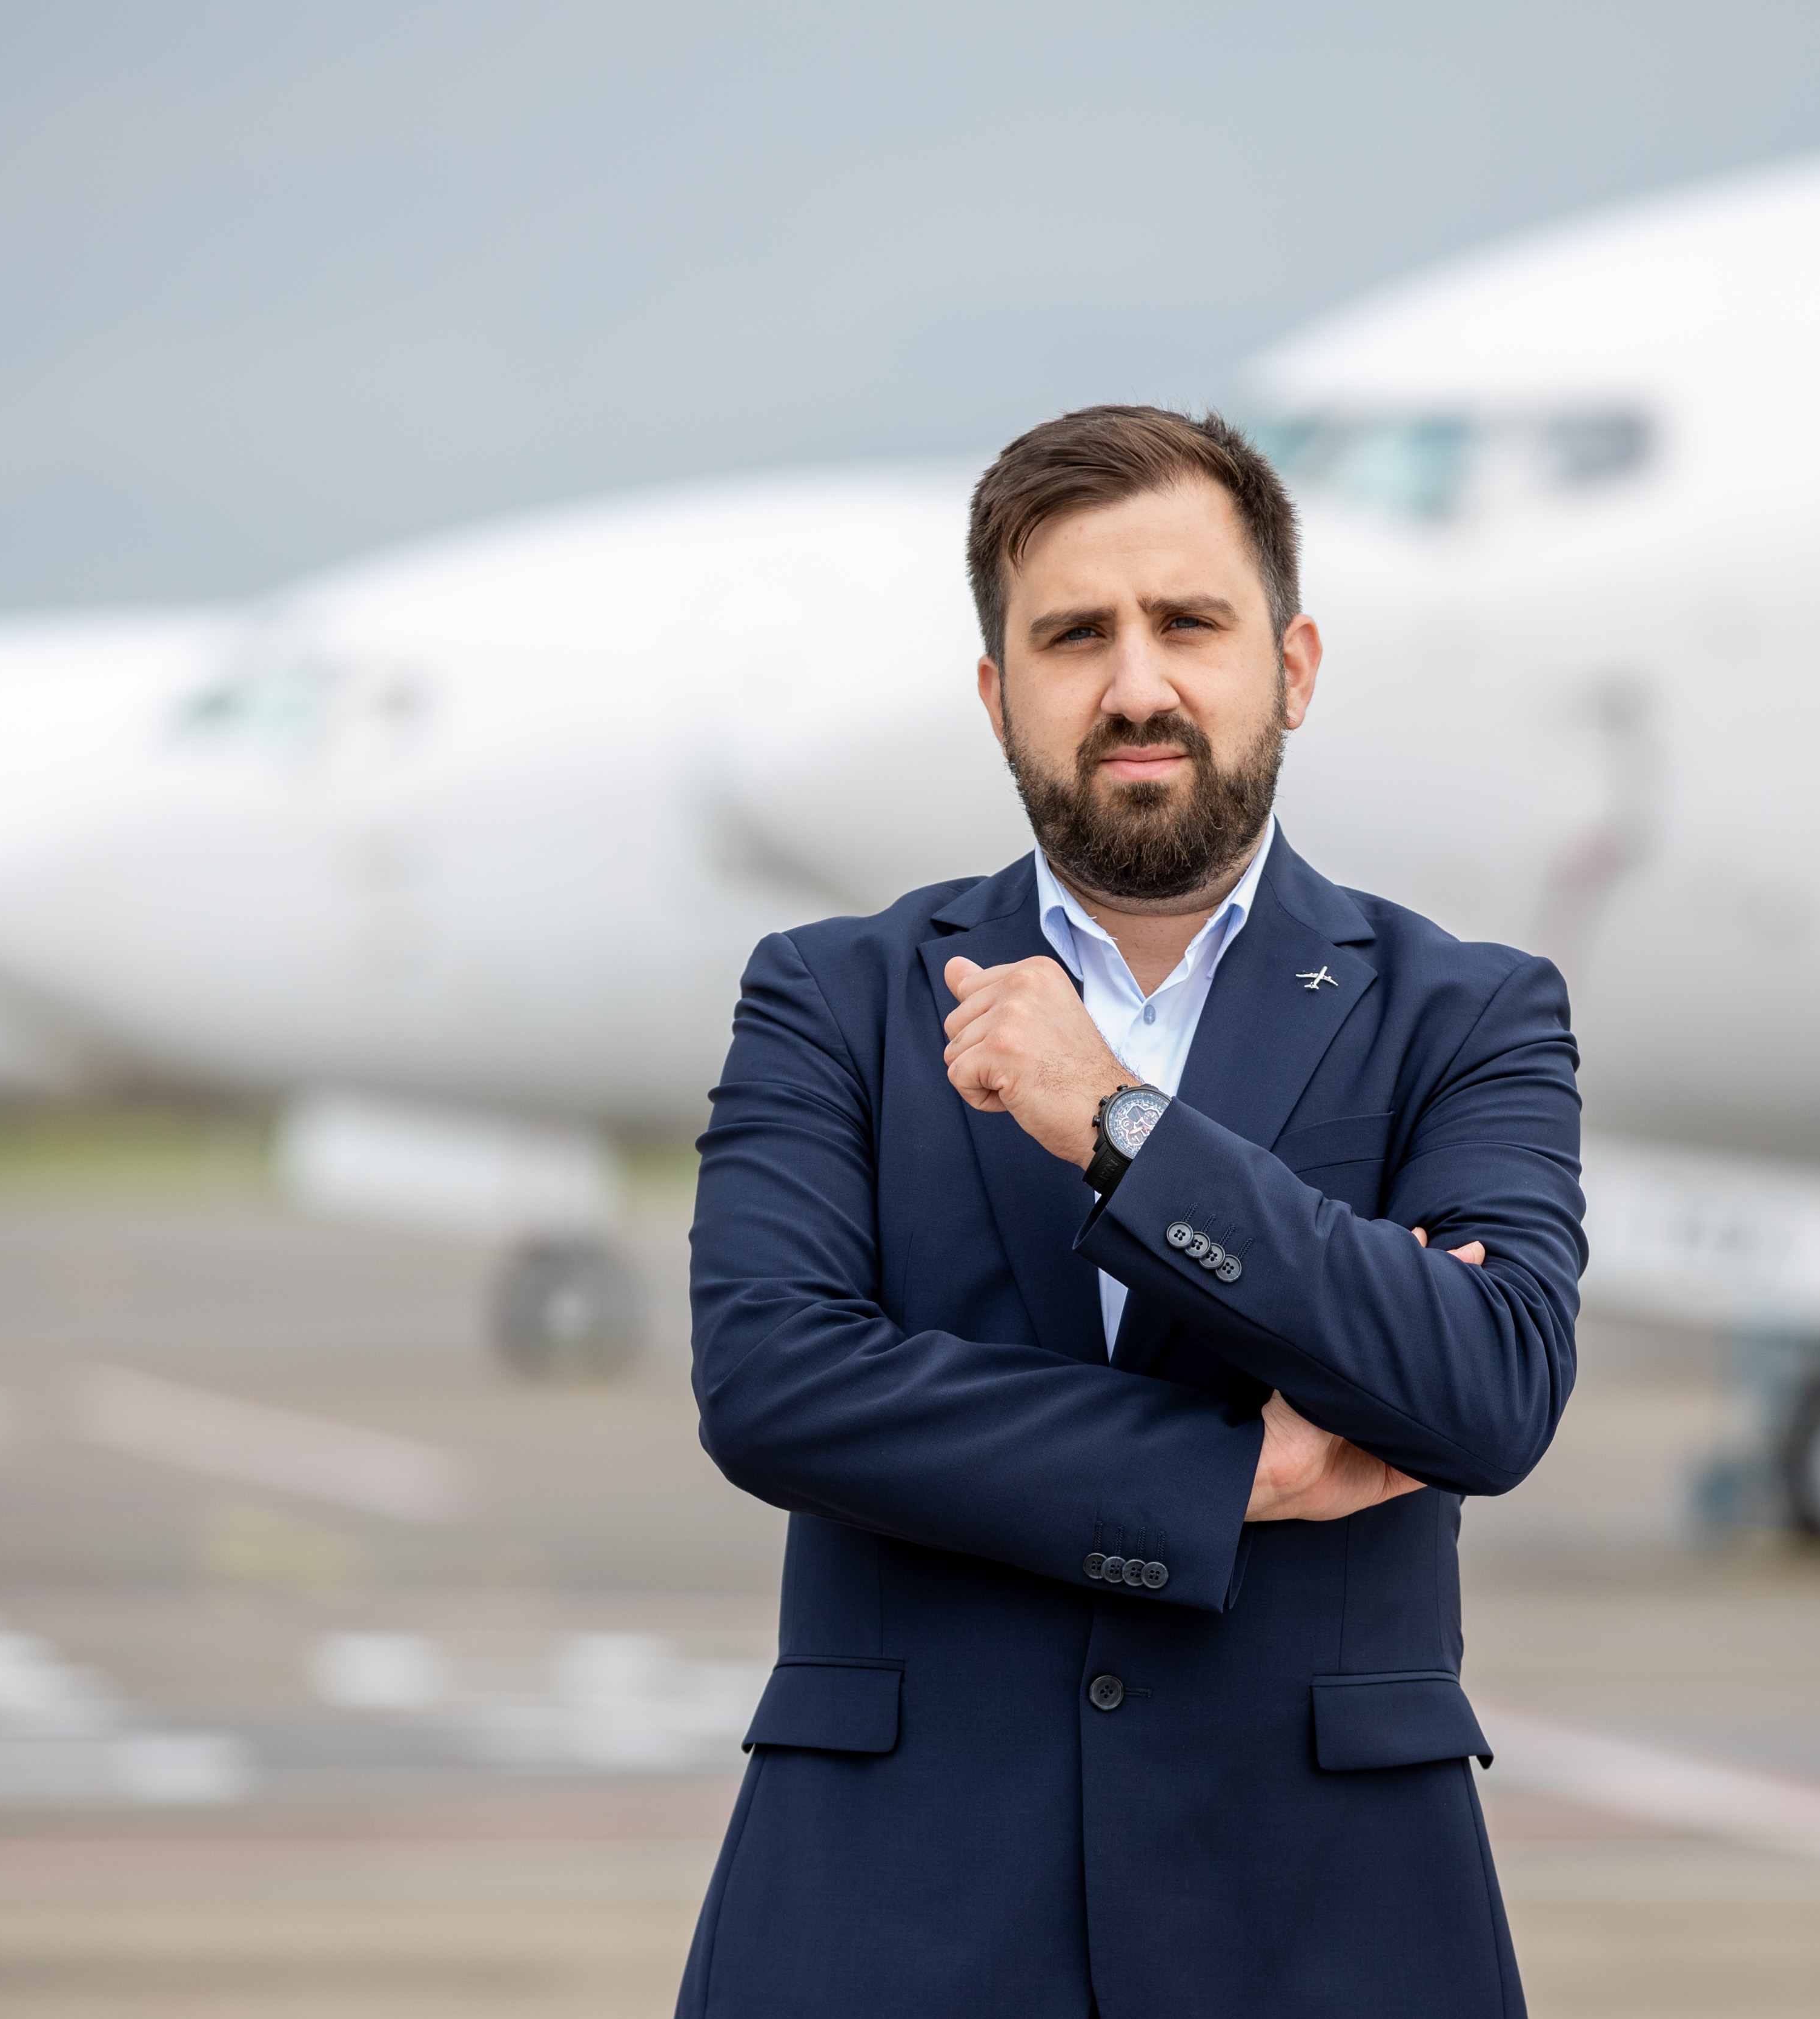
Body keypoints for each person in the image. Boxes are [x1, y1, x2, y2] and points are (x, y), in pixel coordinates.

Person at [676, 405, 1584, 2018]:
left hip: (1330, 1924)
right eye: (1076, 635)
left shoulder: (1467, 1012)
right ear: (996, 692)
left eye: (1189, 624)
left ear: (1293, 667)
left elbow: (1489, 1384)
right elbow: (777, 1385)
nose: (1138, 685)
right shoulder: (830, 999)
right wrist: (1231, 1469)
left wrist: (1118, 1124)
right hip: (888, 1919)